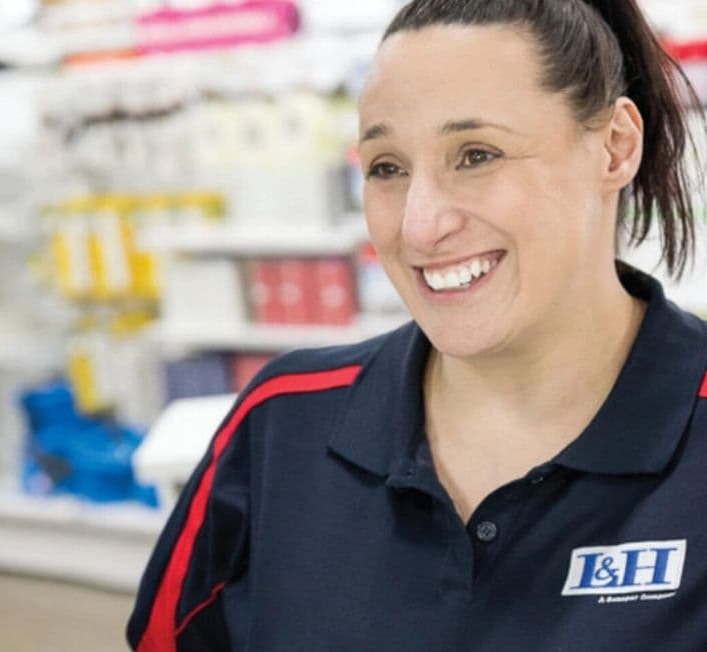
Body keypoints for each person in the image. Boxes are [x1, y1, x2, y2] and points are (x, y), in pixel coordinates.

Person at [127, 0, 707, 649]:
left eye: (477, 154)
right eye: (387, 168)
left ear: (615, 148)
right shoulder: (281, 423)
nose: (419, 227)